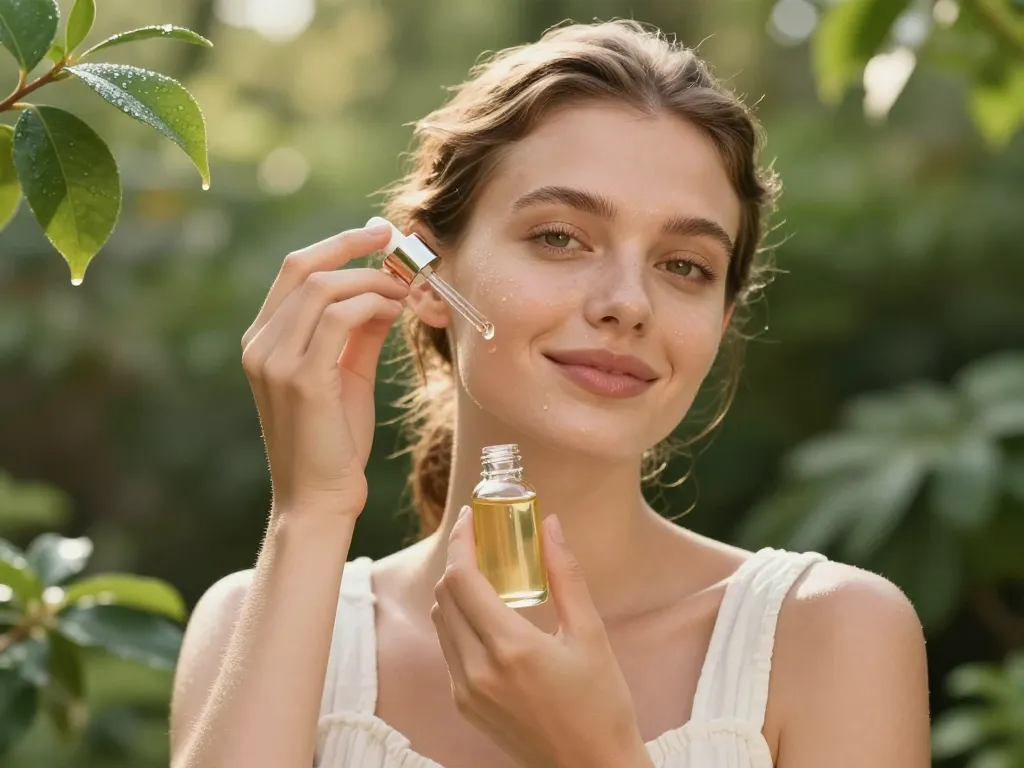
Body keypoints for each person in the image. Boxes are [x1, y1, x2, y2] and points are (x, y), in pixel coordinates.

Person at [168, 19, 931, 768]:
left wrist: (590, 755)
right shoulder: (253, 626)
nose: (628, 302)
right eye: (560, 237)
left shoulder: (829, 634)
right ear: (423, 272)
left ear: (722, 321)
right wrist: (309, 514)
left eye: (684, 266)